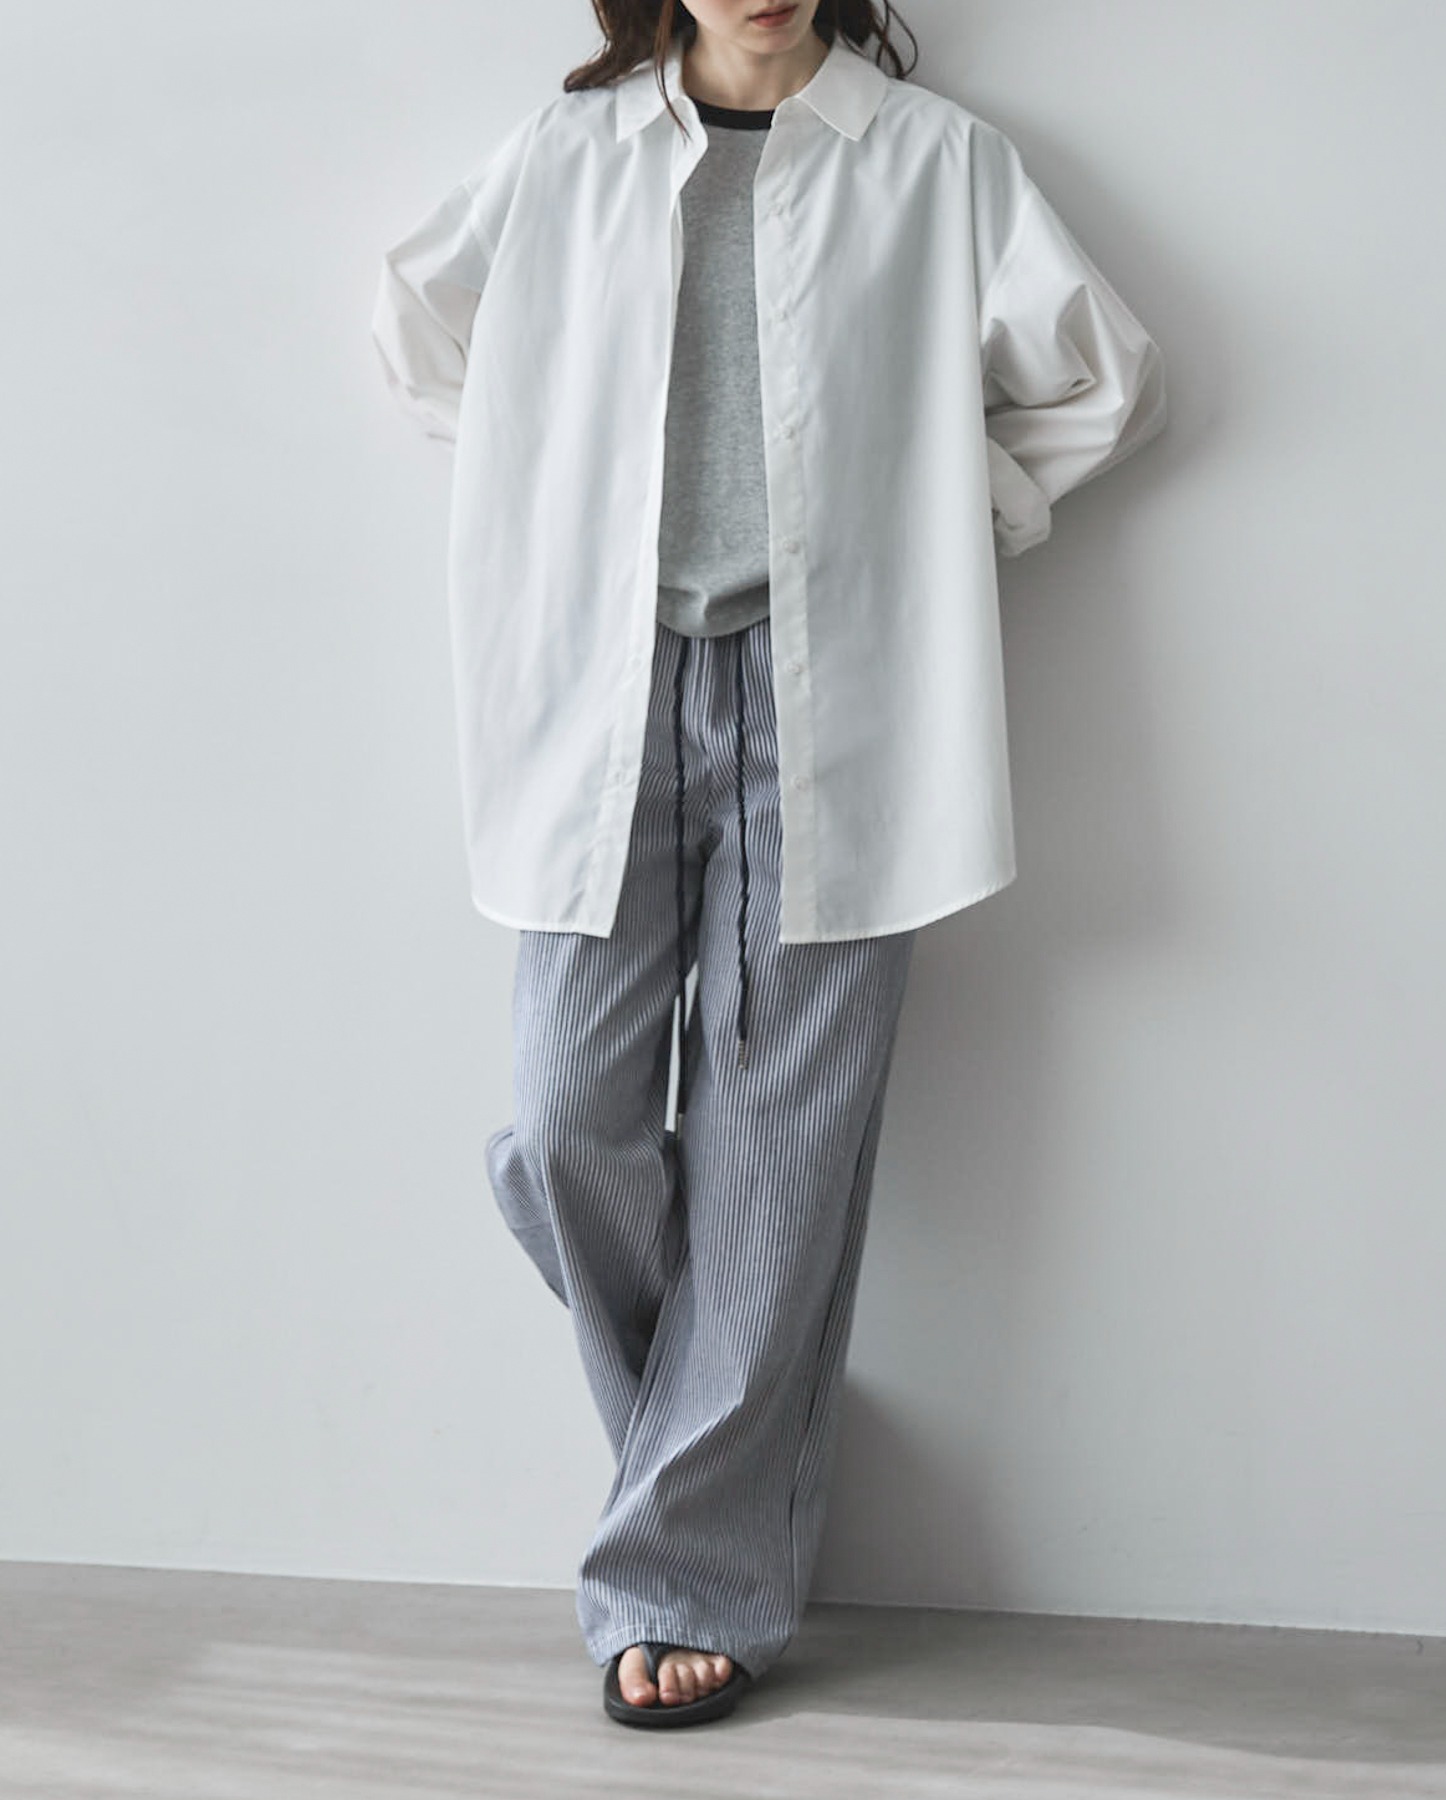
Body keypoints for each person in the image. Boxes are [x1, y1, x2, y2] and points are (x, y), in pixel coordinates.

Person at [370, 0, 1166, 1731]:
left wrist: (951, 513)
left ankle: (684, 1580)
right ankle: (746, 1391)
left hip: (836, 695)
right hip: (606, 688)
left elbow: (1104, 374)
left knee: (778, 1162)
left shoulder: (935, 162)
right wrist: (540, 498)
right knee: (564, 1123)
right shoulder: (568, 154)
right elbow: (419, 320)